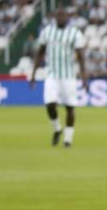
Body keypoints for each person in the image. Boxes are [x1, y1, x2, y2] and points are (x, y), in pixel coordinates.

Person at [29, 8, 88, 148]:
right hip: (51, 74)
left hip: (68, 75)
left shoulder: (75, 33)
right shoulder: (47, 32)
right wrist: (33, 74)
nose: (61, 17)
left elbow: (81, 57)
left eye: (63, 15)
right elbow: (40, 53)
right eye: (58, 15)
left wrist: (84, 78)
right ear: (54, 17)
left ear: (67, 17)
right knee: (50, 104)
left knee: (70, 107)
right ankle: (56, 128)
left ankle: (68, 139)